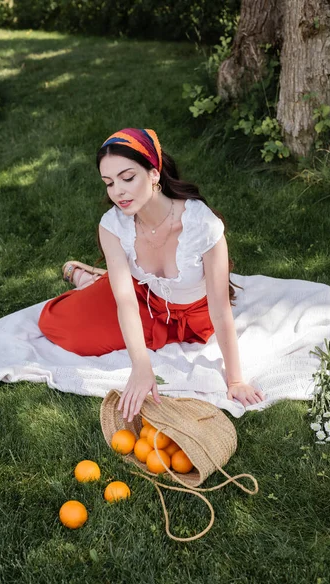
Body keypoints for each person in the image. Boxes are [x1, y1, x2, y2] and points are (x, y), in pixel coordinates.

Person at [38, 127, 265, 422]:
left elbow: (220, 311)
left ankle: (93, 278)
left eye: (127, 177)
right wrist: (141, 365)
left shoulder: (202, 225)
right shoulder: (113, 225)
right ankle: (89, 279)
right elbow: (126, 303)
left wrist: (235, 380)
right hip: (144, 298)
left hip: (195, 313)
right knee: (59, 326)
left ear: (154, 173)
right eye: (108, 183)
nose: (117, 191)